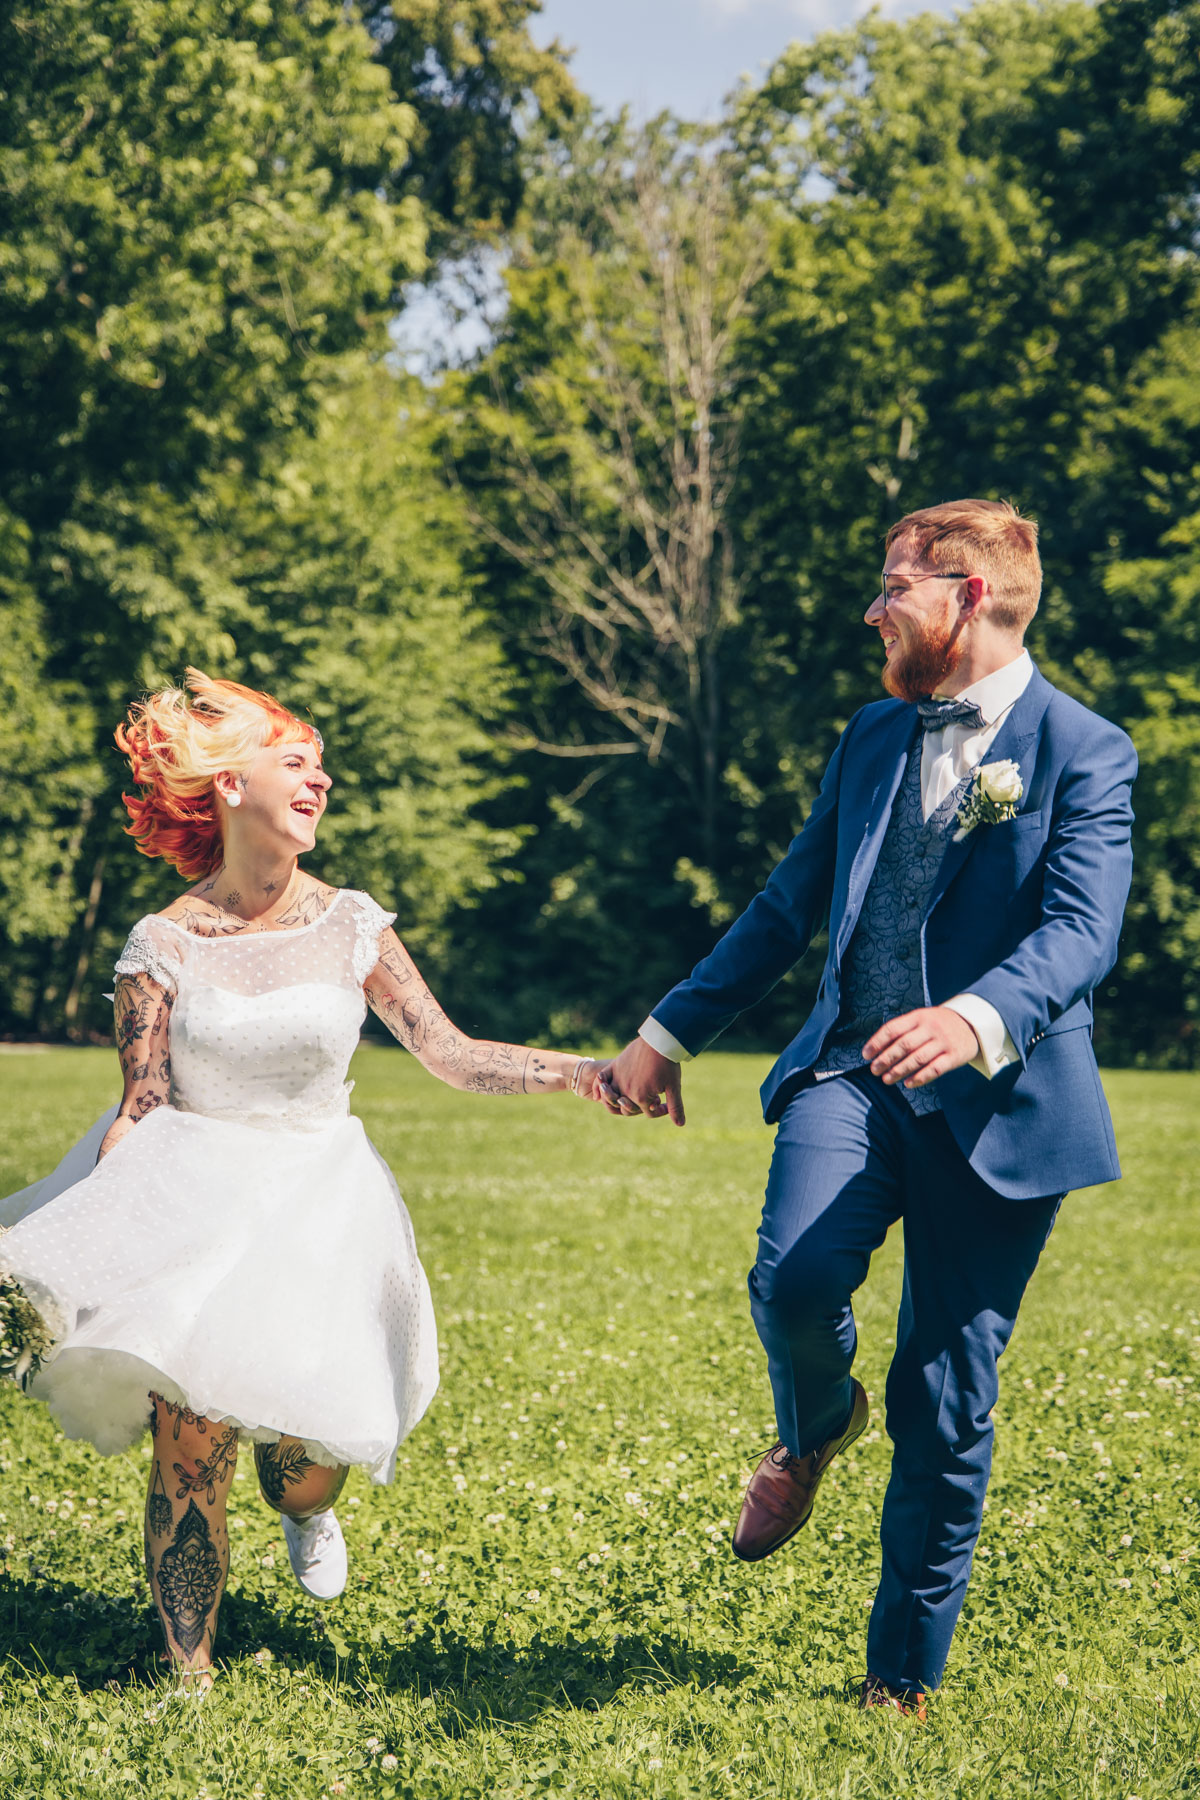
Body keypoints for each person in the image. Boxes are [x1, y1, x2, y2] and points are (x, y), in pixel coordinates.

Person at [596, 500, 1137, 1717]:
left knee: (944, 1399)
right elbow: (789, 905)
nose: (872, 608)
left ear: (973, 595)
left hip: (1000, 1107)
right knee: (792, 1280)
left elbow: (1081, 934)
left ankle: (901, 1677)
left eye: (895, 586)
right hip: (850, 1074)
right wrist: (668, 1031)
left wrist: (976, 1019)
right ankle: (813, 1423)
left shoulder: (1086, 751)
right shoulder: (872, 736)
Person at [0, 670, 601, 1689]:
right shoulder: (161, 944)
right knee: (190, 1442)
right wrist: (86, 1249)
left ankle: (309, 1505)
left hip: (321, 1197)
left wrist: (584, 1073)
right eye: (296, 762)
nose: (319, 779)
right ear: (231, 787)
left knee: (301, 1457)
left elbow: (447, 1051)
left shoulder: (351, 925)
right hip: (197, 1194)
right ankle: (187, 1676)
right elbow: (142, 1104)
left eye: (322, 765)